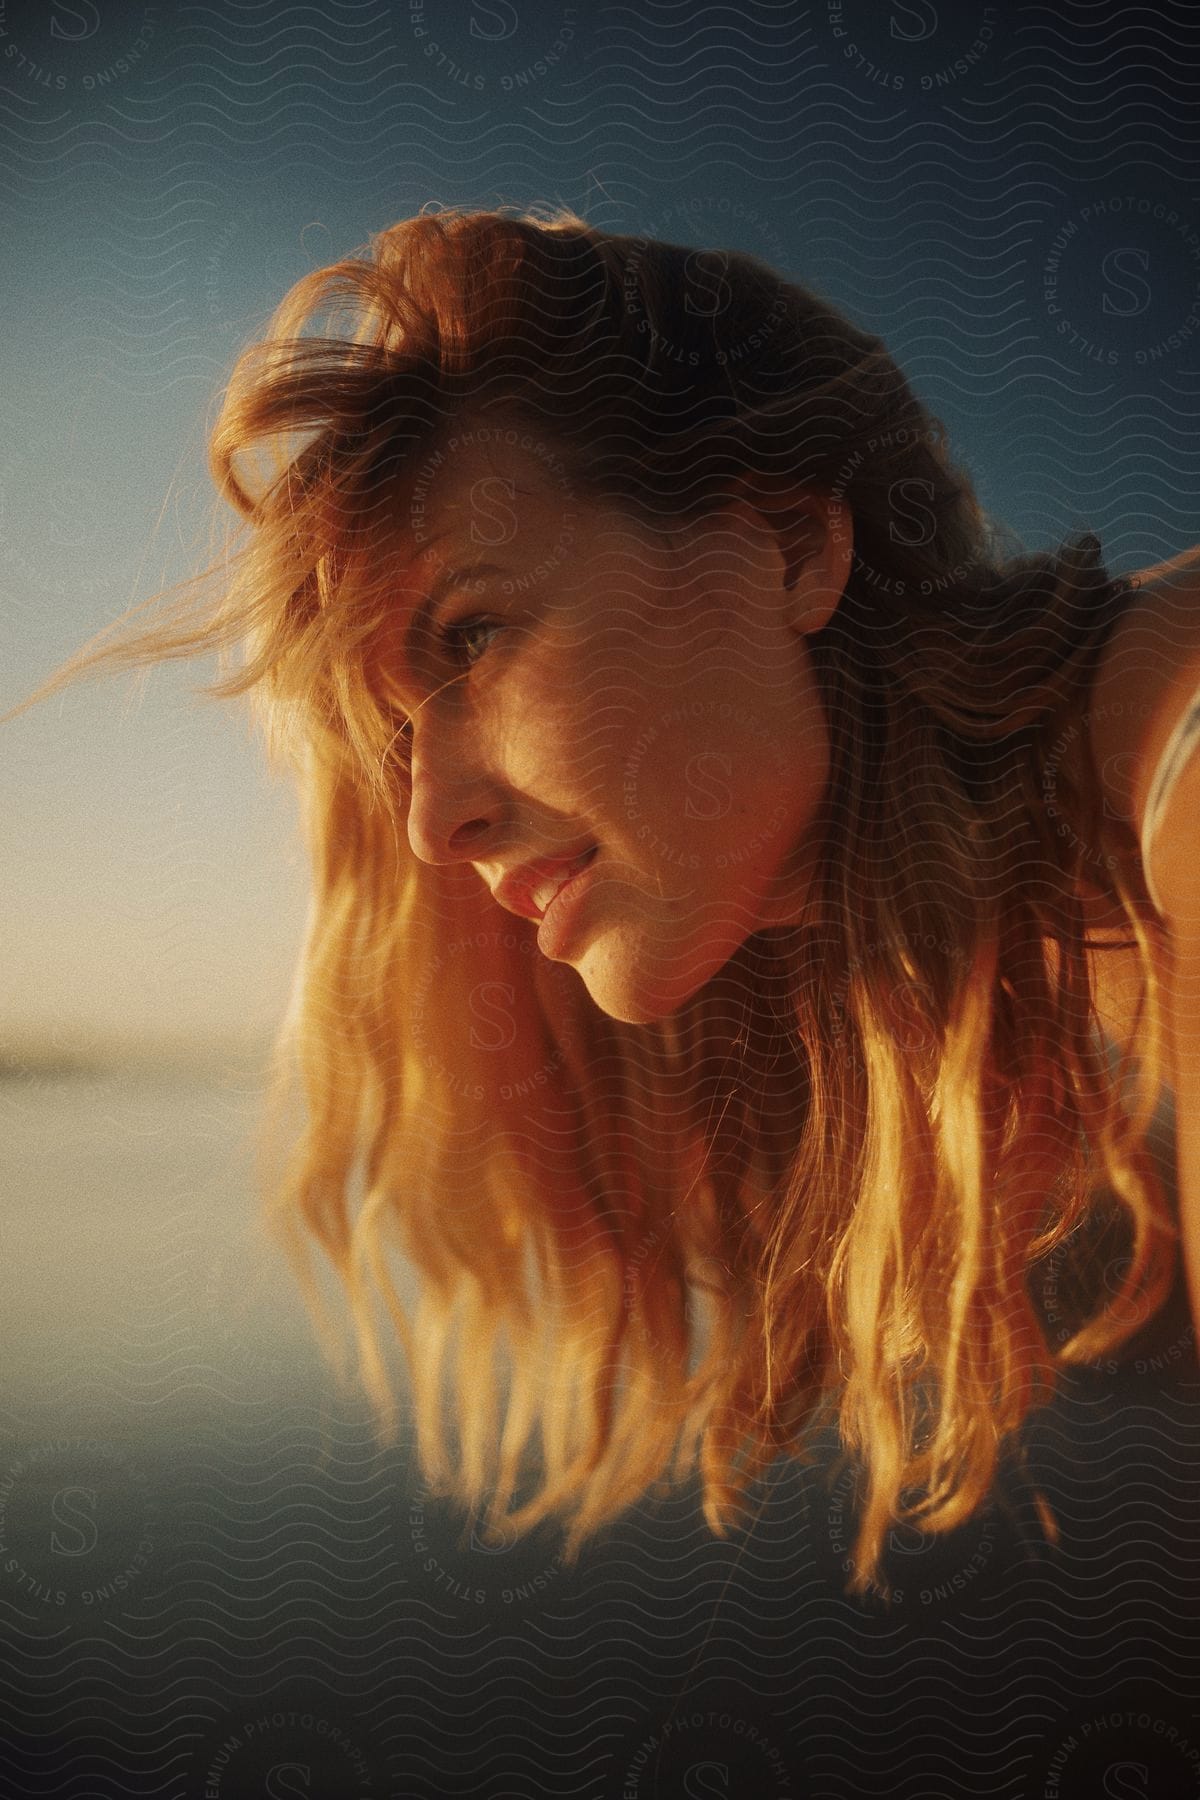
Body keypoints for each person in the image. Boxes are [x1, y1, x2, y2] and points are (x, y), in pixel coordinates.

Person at [5, 202, 1188, 1600]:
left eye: (475, 635)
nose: (432, 822)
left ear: (794, 548)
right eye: (397, 738)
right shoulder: (1099, 885)